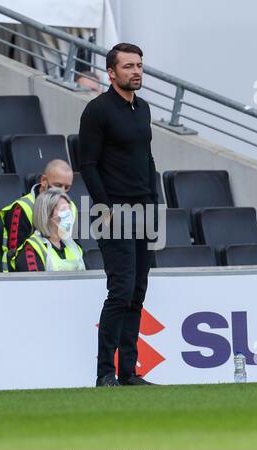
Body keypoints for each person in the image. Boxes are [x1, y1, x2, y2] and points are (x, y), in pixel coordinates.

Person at [79, 43, 159, 387]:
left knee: (138, 291)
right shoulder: (97, 111)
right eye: (128, 66)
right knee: (121, 290)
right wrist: (105, 208)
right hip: (111, 210)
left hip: (144, 209)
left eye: (139, 65)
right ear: (112, 73)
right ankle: (104, 373)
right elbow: (87, 165)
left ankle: (128, 372)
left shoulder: (143, 109)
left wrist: (155, 204)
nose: (136, 71)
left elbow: (147, 159)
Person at [0, 159, 74, 271]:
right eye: (58, 185)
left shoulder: (70, 207)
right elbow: (15, 255)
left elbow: (75, 246)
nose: (62, 192)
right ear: (44, 180)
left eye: (67, 187)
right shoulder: (22, 208)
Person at [11, 188, 85, 272]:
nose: (69, 214)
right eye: (63, 210)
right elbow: (35, 283)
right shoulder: (30, 250)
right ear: (47, 215)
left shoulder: (73, 246)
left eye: (69, 209)